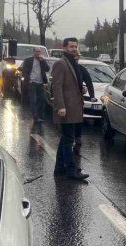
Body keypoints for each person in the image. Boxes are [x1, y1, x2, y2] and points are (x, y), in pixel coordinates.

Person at [51, 38, 88, 181]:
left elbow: (72, 84)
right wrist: (61, 106)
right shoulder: (61, 63)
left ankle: (60, 167)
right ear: (64, 47)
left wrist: (81, 89)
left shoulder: (72, 63)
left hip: (74, 107)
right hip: (66, 108)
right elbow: (57, 86)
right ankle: (71, 170)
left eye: (75, 46)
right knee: (68, 139)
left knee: (65, 138)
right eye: (71, 46)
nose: (74, 48)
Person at [73, 56, 95, 156]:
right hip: (66, 100)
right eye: (74, 58)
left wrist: (92, 96)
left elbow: (89, 82)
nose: (75, 60)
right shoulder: (64, 67)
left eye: (77, 58)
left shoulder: (81, 69)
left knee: (78, 118)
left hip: (78, 99)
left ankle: (78, 137)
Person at [21, 46, 50, 122]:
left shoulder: (42, 60)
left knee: (42, 99)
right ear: (34, 52)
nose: (38, 53)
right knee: (33, 100)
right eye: (37, 51)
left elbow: (47, 69)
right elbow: (24, 72)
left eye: (39, 52)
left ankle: (40, 115)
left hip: (41, 83)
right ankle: (35, 117)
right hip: (32, 83)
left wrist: (43, 61)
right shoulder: (28, 60)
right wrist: (29, 80)